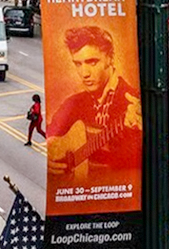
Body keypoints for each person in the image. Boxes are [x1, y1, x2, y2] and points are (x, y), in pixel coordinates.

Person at [46, 27, 143, 184]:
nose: (84, 73)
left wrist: (137, 129)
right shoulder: (73, 103)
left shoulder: (133, 101)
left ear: (110, 58)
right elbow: (51, 134)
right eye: (78, 64)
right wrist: (52, 155)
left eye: (92, 62)